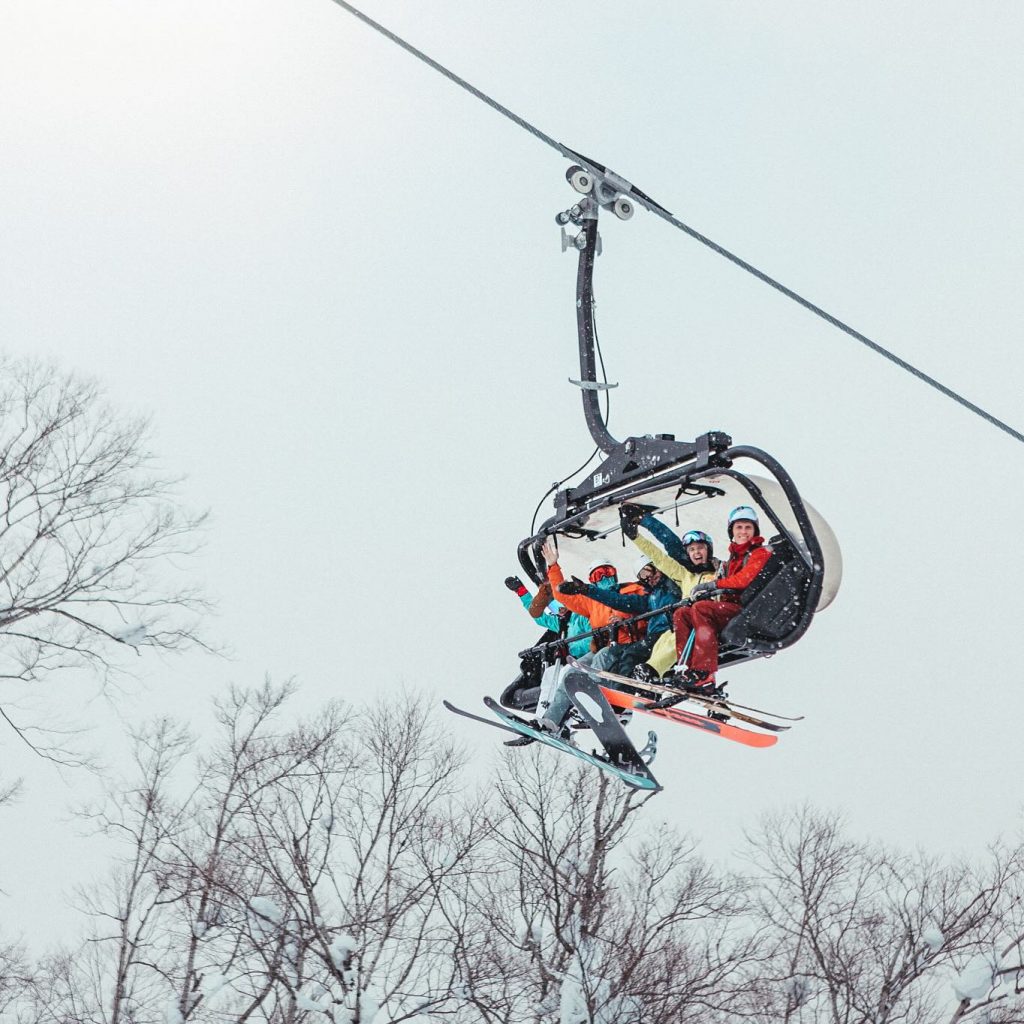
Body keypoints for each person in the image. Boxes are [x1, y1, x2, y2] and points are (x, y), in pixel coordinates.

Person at [667, 505, 772, 692]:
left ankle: (704, 672)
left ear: (755, 530)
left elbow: (744, 579)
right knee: (682, 613)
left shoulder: (759, 553)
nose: (743, 532)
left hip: (746, 610)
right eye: (738, 527)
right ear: (731, 530)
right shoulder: (734, 557)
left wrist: (713, 586)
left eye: (748, 527)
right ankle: (686, 669)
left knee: (702, 608)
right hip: (729, 607)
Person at [619, 504, 720, 681]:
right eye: (692, 550)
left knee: (678, 636)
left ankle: (653, 671)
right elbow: (660, 559)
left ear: (708, 550)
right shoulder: (686, 575)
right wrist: (636, 538)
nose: (696, 552)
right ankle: (653, 678)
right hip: (686, 623)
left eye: (700, 548)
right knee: (665, 639)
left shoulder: (717, 574)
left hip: (706, 622)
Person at [557, 555, 681, 678]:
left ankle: (620, 688)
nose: (648, 577)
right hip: (633, 640)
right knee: (574, 670)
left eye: (607, 572)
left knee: (627, 655)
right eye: (643, 576)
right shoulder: (649, 599)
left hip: (662, 633)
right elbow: (617, 600)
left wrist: (627, 623)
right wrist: (586, 590)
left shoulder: (674, 586)